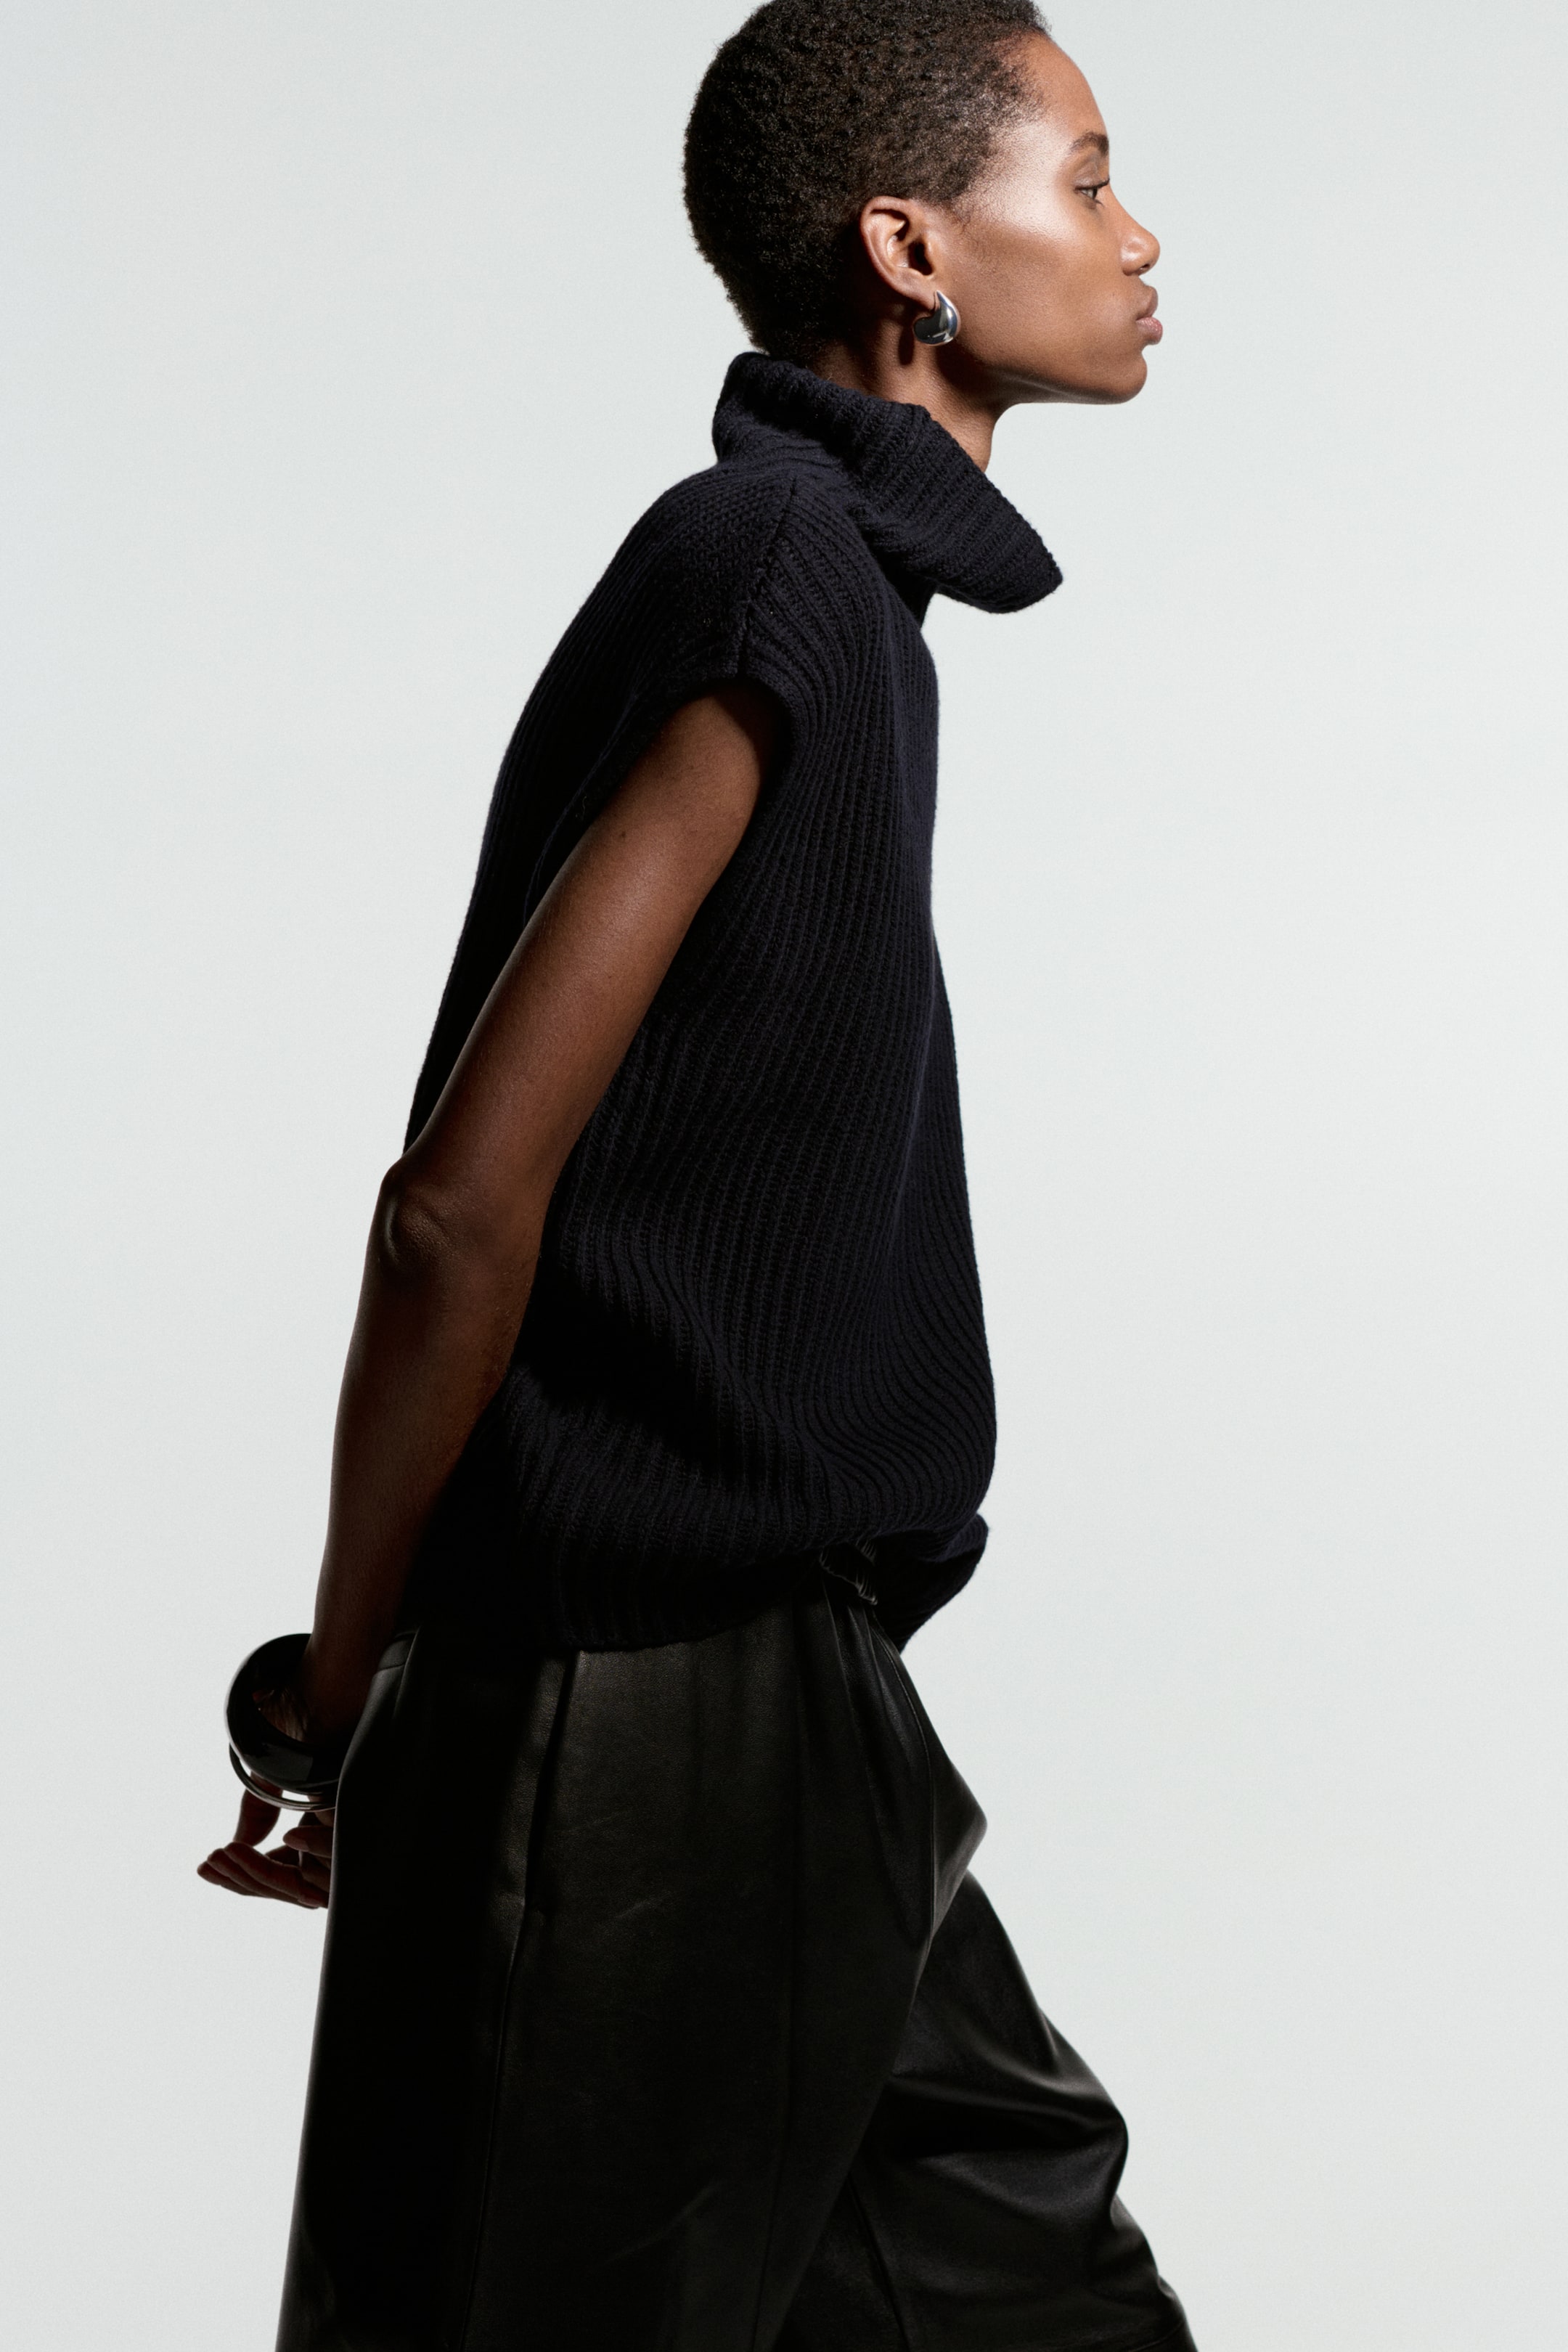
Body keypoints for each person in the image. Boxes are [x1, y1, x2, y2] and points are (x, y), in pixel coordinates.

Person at [200, 4, 1194, 2346]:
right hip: (623, 1721)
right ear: (909, 248)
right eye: (1087, 178)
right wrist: (340, 1699)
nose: (1140, 238)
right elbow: (460, 1202)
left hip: (810, 1719)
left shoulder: (848, 600)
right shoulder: (769, 564)